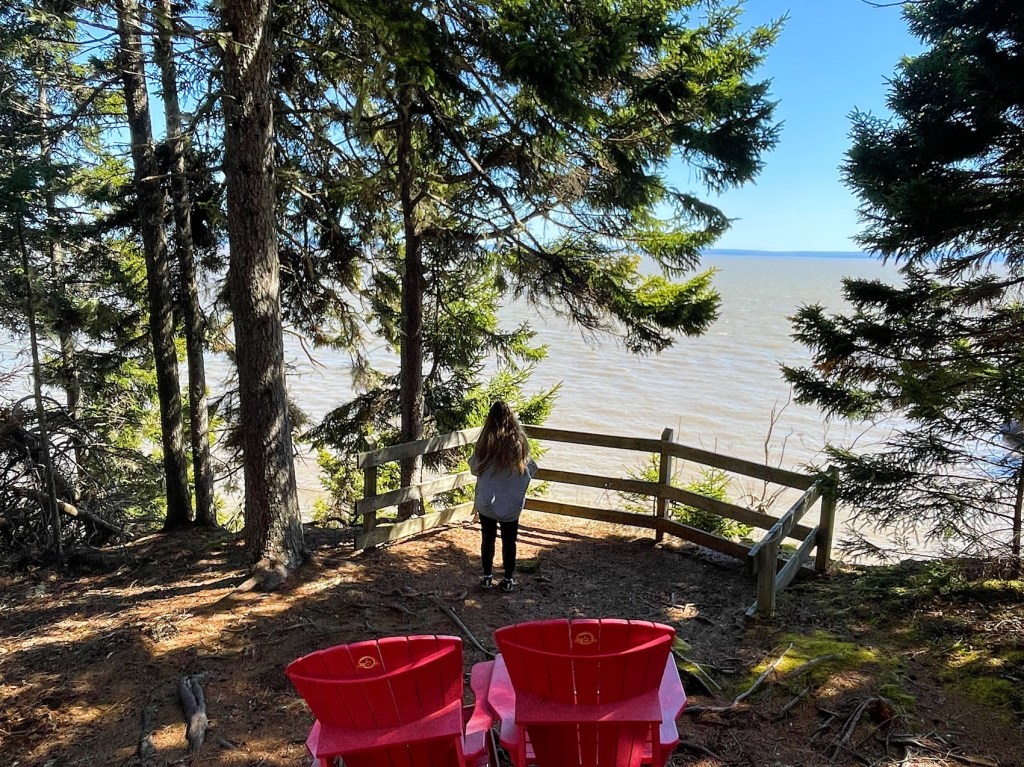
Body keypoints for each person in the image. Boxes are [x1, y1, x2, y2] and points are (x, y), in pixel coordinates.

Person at [469, 401, 537, 593]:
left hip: (487, 500)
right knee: (509, 540)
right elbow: (531, 468)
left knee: (487, 537)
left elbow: (475, 468)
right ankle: (507, 579)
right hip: (511, 501)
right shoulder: (519, 443)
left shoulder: (484, 443)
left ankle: (487, 577)